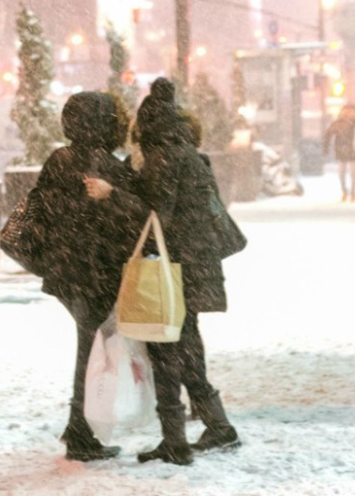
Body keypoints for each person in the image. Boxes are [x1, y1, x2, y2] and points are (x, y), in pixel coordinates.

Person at [87, 77, 241, 465]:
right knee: (186, 346)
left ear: (146, 127)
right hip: (194, 266)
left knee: (167, 350)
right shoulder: (185, 152)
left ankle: (176, 440)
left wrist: (112, 194)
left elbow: (154, 214)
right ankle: (216, 426)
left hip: (174, 270)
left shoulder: (163, 157)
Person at [31, 91, 148, 461]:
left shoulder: (58, 159)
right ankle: (82, 434)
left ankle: (78, 426)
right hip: (97, 272)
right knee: (93, 350)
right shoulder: (109, 166)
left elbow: (42, 210)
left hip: (68, 271)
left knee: (88, 344)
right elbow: (132, 219)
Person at [322, 103, 355, 201]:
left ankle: (349, 192)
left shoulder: (340, 122)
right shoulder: (339, 123)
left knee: (347, 173)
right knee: (345, 173)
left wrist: (326, 148)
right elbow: (328, 135)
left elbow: (328, 135)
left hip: (347, 150)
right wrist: (325, 147)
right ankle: (347, 192)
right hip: (346, 150)